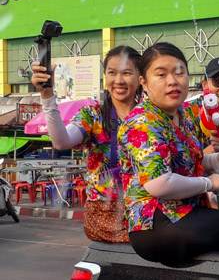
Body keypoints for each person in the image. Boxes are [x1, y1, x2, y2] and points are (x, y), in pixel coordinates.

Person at [119, 42, 219, 264]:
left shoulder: (181, 115)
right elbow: (159, 184)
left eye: (179, 72)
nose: (173, 81)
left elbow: (190, 159)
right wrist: (209, 183)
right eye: (161, 74)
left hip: (185, 213)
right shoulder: (142, 122)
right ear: (143, 82)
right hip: (158, 224)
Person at [31, 46, 142, 243]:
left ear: (140, 77)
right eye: (112, 73)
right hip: (105, 218)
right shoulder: (93, 115)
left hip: (145, 213)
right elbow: (61, 141)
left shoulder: (151, 117)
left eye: (126, 73)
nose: (118, 80)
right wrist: (47, 96)